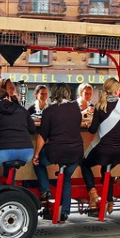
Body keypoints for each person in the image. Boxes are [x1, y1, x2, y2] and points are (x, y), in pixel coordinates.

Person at [32, 82, 83, 222]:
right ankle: (64, 212)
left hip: (56, 152)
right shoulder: (75, 108)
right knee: (66, 177)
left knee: (38, 163)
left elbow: (42, 136)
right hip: (76, 153)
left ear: (54, 94)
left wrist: (36, 155)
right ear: (67, 93)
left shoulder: (49, 111)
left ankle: (45, 190)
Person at [81, 78, 120, 214]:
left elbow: (92, 130)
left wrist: (87, 124)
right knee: (106, 170)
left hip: (104, 150)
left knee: (84, 163)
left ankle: (92, 192)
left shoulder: (99, 106)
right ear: (116, 90)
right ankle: (109, 200)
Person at [0, 89, 36, 188]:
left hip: (3, 152)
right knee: (11, 166)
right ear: (8, 97)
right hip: (27, 152)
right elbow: (32, 129)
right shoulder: (22, 109)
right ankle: (9, 189)